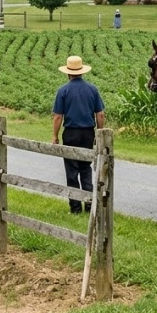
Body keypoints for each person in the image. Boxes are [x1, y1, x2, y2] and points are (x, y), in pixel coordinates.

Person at [52, 55, 105, 214]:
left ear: (68, 73)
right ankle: (89, 205)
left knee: (72, 171)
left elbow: (58, 117)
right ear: (82, 72)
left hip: (71, 133)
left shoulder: (63, 90)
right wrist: (99, 133)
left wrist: (55, 135)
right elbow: (100, 114)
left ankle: (75, 207)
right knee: (85, 169)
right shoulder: (92, 89)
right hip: (88, 133)